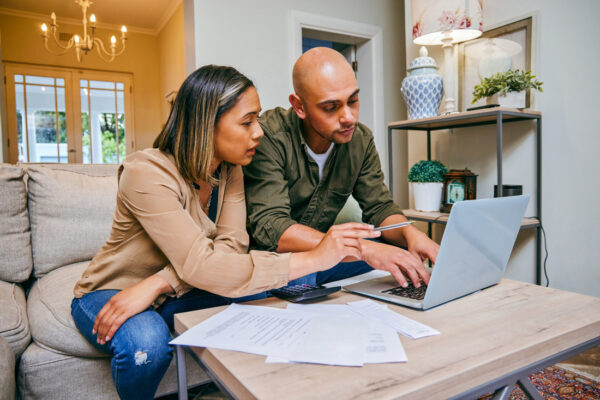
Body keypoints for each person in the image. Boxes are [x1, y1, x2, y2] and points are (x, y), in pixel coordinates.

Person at [71, 65, 379, 400]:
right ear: (205, 126)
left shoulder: (230, 170)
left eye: (257, 119)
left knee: (283, 294)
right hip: (117, 290)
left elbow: (230, 250)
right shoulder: (144, 172)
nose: (259, 132)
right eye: (247, 122)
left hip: (178, 288)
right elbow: (203, 265)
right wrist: (316, 256)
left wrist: (159, 283)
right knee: (146, 347)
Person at [243, 47, 440, 289]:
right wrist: (363, 248)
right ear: (299, 106)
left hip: (328, 259)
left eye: (353, 100)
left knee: (401, 256)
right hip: (275, 263)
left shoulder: (360, 140)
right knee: (324, 273)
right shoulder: (269, 136)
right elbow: (271, 226)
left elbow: (379, 207)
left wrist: (411, 233)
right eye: (330, 107)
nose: (349, 117)